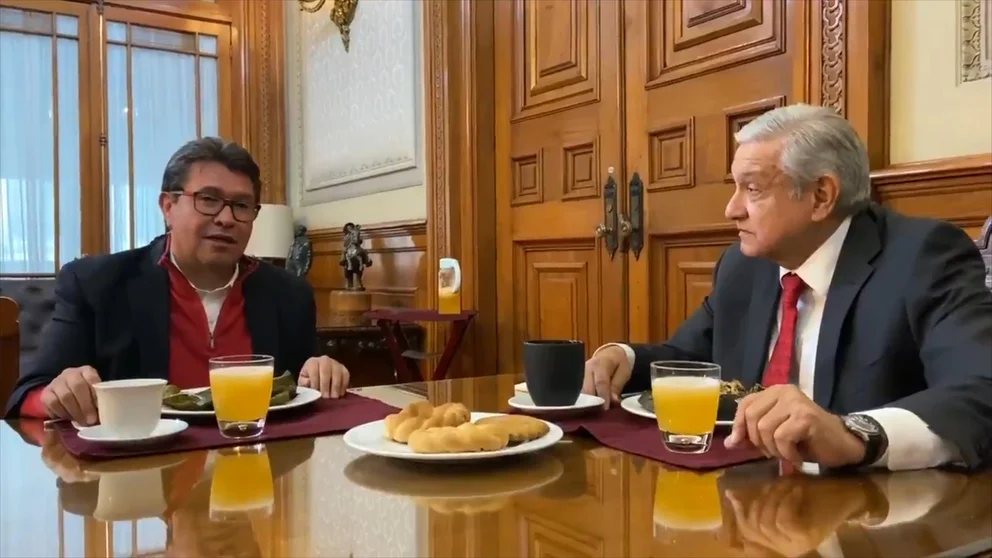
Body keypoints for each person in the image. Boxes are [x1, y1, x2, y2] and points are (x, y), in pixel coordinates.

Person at [582, 104, 992, 471]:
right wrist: (625, 358)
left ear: (820, 195)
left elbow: (980, 388)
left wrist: (853, 434)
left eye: (753, 188)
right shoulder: (744, 265)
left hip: (873, 516)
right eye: (735, 186)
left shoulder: (924, 257)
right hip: (751, 504)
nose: (731, 208)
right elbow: (693, 357)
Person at [5, 138, 350, 424]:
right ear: (168, 206)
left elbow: (303, 393)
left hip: (255, 473)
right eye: (209, 200)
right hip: (140, 482)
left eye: (242, 205)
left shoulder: (289, 294)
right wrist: (57, 395)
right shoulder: (96, 283)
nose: (227, 218)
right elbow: (27, 396)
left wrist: (319, 371)